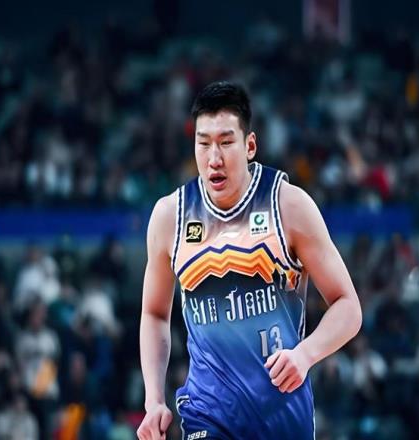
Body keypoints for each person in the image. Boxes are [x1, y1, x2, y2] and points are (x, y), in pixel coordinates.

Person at [137, 81, 362, 440]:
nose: (214, 158)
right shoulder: (170, 217)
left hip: (282, 415)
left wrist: (305, 355)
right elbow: (154, 314)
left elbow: (348, 306)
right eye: (203, 143)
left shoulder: (288, 206)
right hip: (207, 414)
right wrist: (154, 400)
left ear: (250, 145)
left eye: (226, 142)